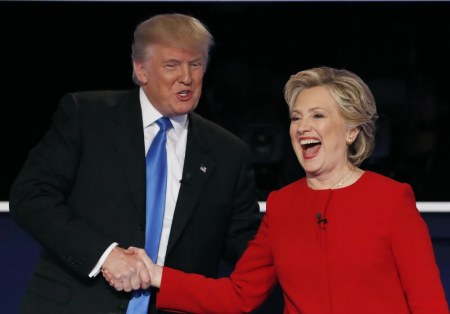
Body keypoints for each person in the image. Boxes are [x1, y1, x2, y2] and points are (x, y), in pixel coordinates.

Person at [109, 66, 450, 313]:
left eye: (317, 116)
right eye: (296, 117)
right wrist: (155, 274)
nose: (302, 127)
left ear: (351, 132)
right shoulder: (283, 204)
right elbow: (238, 294)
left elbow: (429, 304)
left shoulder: (391, 199)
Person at [9, 13, 261, 314]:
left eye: (195, 64)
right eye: (172, 65)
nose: (187, 77)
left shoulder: (227, 152)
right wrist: (105, 256)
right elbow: (31, 196)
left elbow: (246, 245)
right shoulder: (87, 117)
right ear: (141, 70)